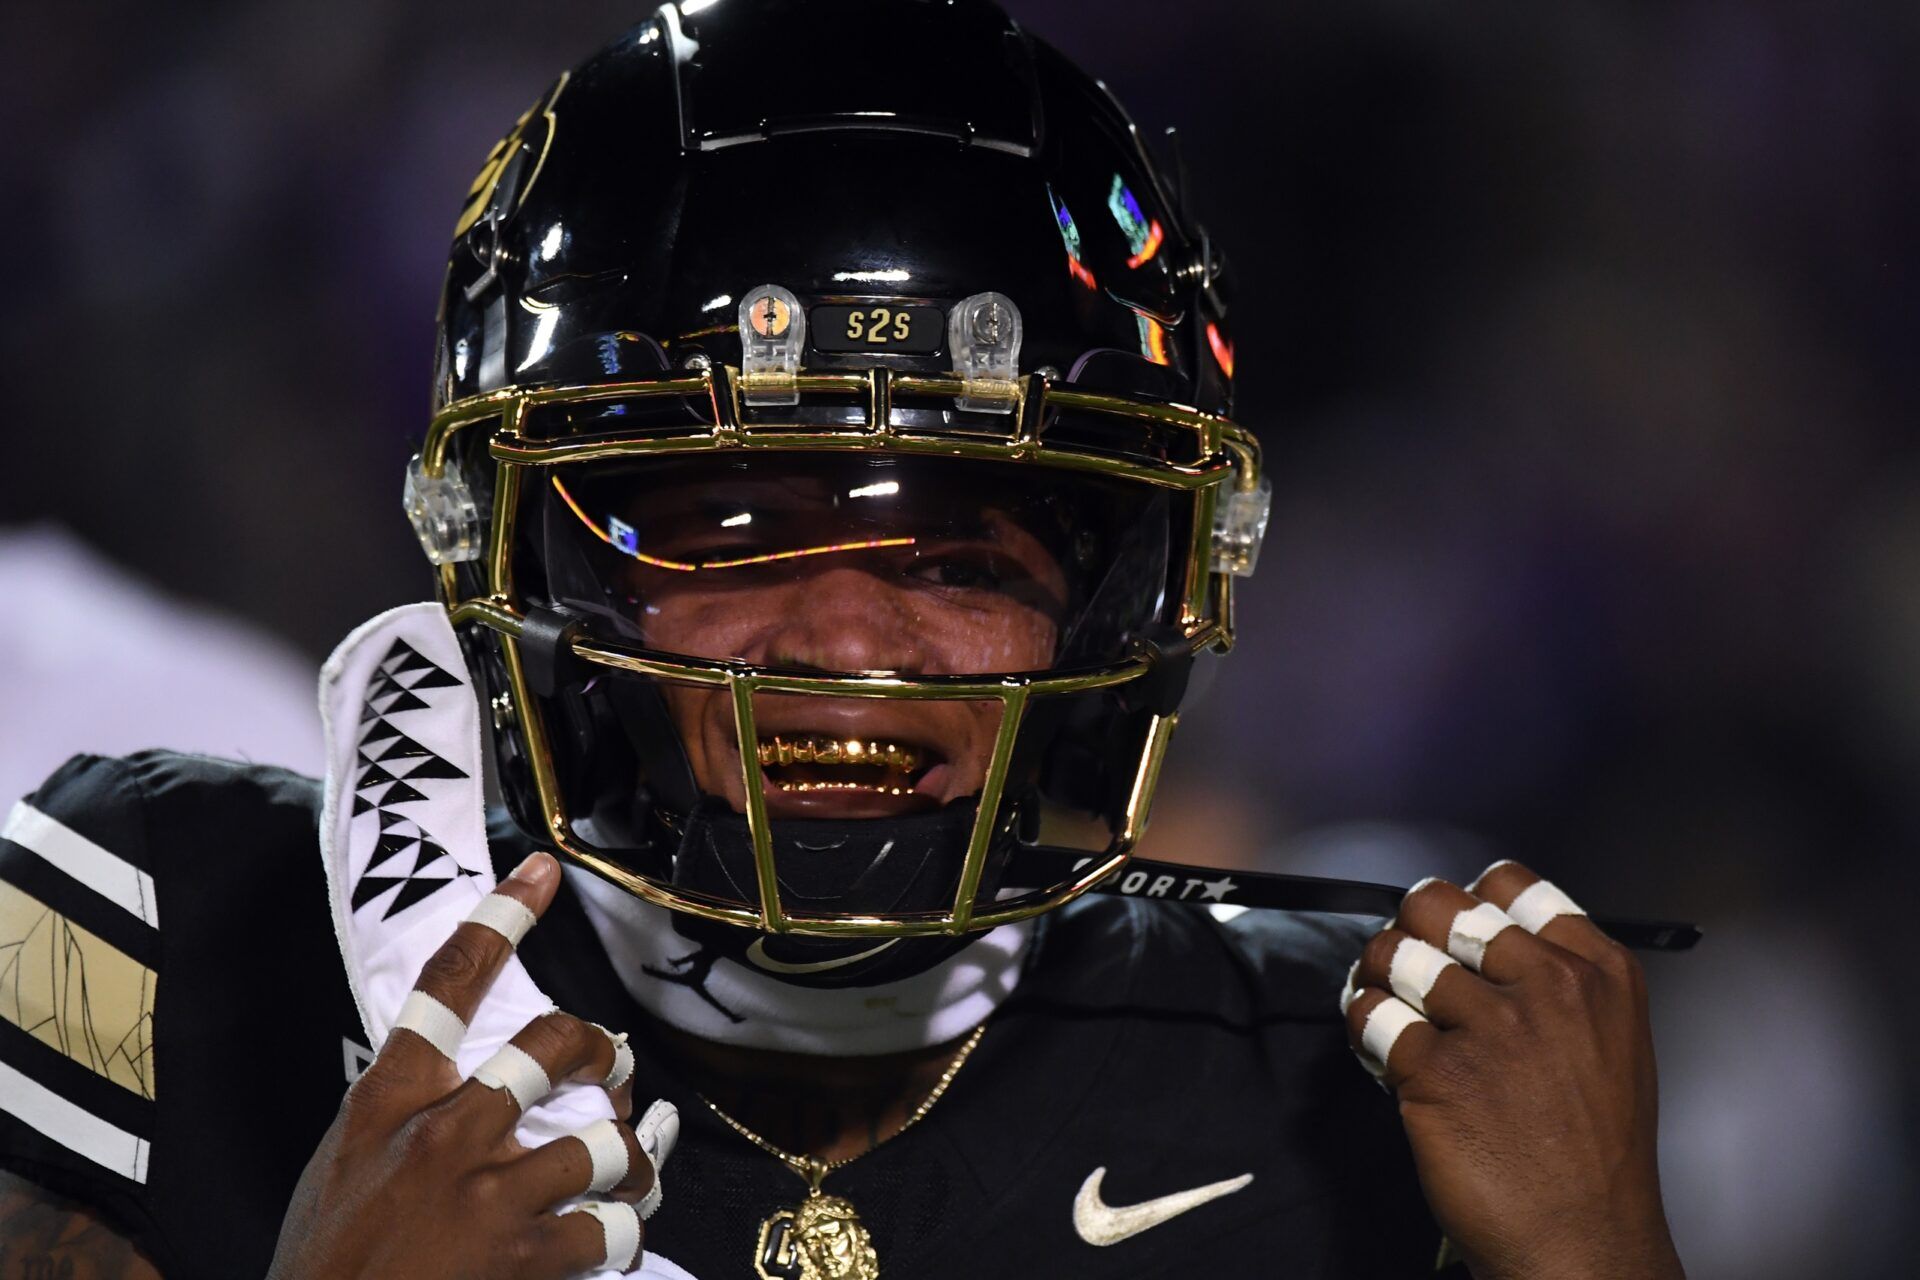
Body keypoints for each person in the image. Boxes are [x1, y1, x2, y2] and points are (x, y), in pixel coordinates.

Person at [0, 3, 1684, 1276]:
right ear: (535, 557)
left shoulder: (1352, 1087)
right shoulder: (160, 928)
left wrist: (1600, 1261)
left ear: (1120, 598)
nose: (846, 637)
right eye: (730, 529)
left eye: (962, 555)